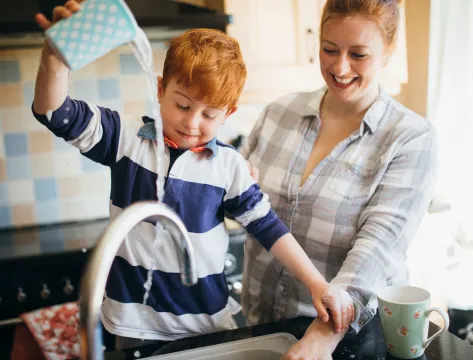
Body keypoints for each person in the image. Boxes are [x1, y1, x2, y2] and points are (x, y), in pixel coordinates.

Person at [31, 0, 355, 350]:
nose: (191, 122)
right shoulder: (125, 140)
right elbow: (54, 111)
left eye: (209, 114)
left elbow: (268, 227)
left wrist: (317, 284)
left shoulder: (228, 165)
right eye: (182, 105)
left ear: (228, 113)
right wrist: (54, 58)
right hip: (134, 325)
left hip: (207, 326)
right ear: (160, 90)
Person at [240, 0, 438, 358]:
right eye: (329, 50)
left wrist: (322, 336)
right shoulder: (278, 114)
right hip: (258, 329)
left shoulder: (410, 138)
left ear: (388, 50)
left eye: (359, 54)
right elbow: (235, 203)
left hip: (345, 341)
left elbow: (376, 248)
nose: (340, 67)